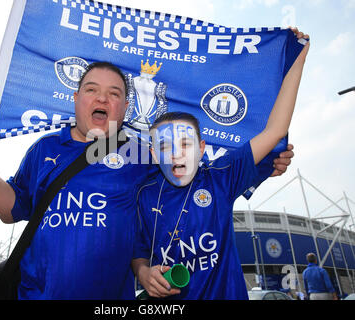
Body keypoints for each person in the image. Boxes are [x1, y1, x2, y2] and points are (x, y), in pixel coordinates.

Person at [0, 61, 295, 299]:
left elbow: (191, 175)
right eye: (91, 90)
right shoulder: (44, 150)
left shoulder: (141, 153)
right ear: (76, 98)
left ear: (124, 108)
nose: (101, 98)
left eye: (113, 94)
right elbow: (11, 210)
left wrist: (267, 164)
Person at [131, 29, 310, 300]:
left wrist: (297, 58)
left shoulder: (220, 177)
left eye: (186, 144)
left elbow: (275, 131)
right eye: (165, 147)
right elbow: (138, 251)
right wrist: (144, 273)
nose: (176, 155)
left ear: (202, 149)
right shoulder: (143, 194)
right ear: (153, 154)